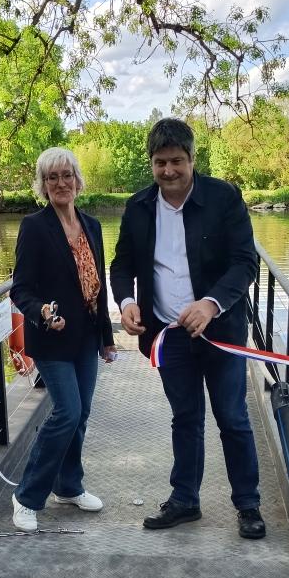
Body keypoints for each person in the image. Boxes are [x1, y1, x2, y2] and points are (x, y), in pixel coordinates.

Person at [109, 118, 265, 539]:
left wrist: (211, 303)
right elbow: (121, 265)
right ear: (152, 164)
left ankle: (248, 505)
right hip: (167, 335)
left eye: (177, 161)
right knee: (185, 417)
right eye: (160, 163)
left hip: (222, 333)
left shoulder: (224, 198)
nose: (169, 171)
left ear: (193, 159)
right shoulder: (138, 207)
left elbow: (245, 262)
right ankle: (185, 501)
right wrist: (126, 304)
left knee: (232, 417)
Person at [9, 147, 117, 532]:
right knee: (66, 412)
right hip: (52, 340)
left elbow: (97, 286)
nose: (60, 183)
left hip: (86, 337)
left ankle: (68, 486)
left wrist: (106, 336)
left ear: (77, 180)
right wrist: (40, 312)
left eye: (66, 175)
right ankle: (26, 496)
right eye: (52, 177)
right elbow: (20, 289)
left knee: (81, 414)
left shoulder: (92, 225)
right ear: (43, 184)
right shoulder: (35, 226)